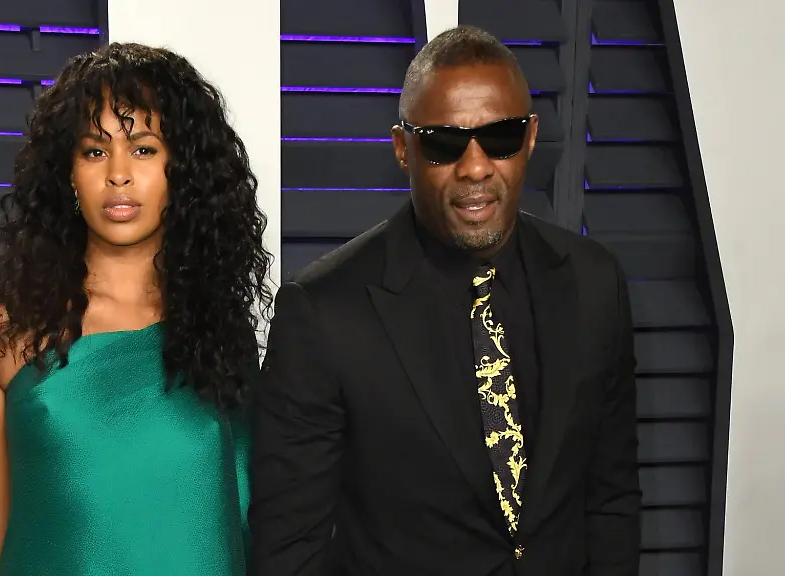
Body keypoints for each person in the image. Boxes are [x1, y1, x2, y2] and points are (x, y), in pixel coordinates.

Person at [249, 25, 641, 576]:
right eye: (443, 143)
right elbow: (290, 549)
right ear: (402, 148)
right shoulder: (324, 313)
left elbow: (612, 496)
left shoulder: (595, 282)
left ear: (530, 137)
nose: (475, 167)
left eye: (500, 138)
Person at [0, 42, 273, 576]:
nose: (119, 173)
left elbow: (245, 522)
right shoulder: (2, 323)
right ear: (66, 172)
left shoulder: (217, 326)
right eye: (95, 151)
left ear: (181, 167)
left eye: (143, 149)